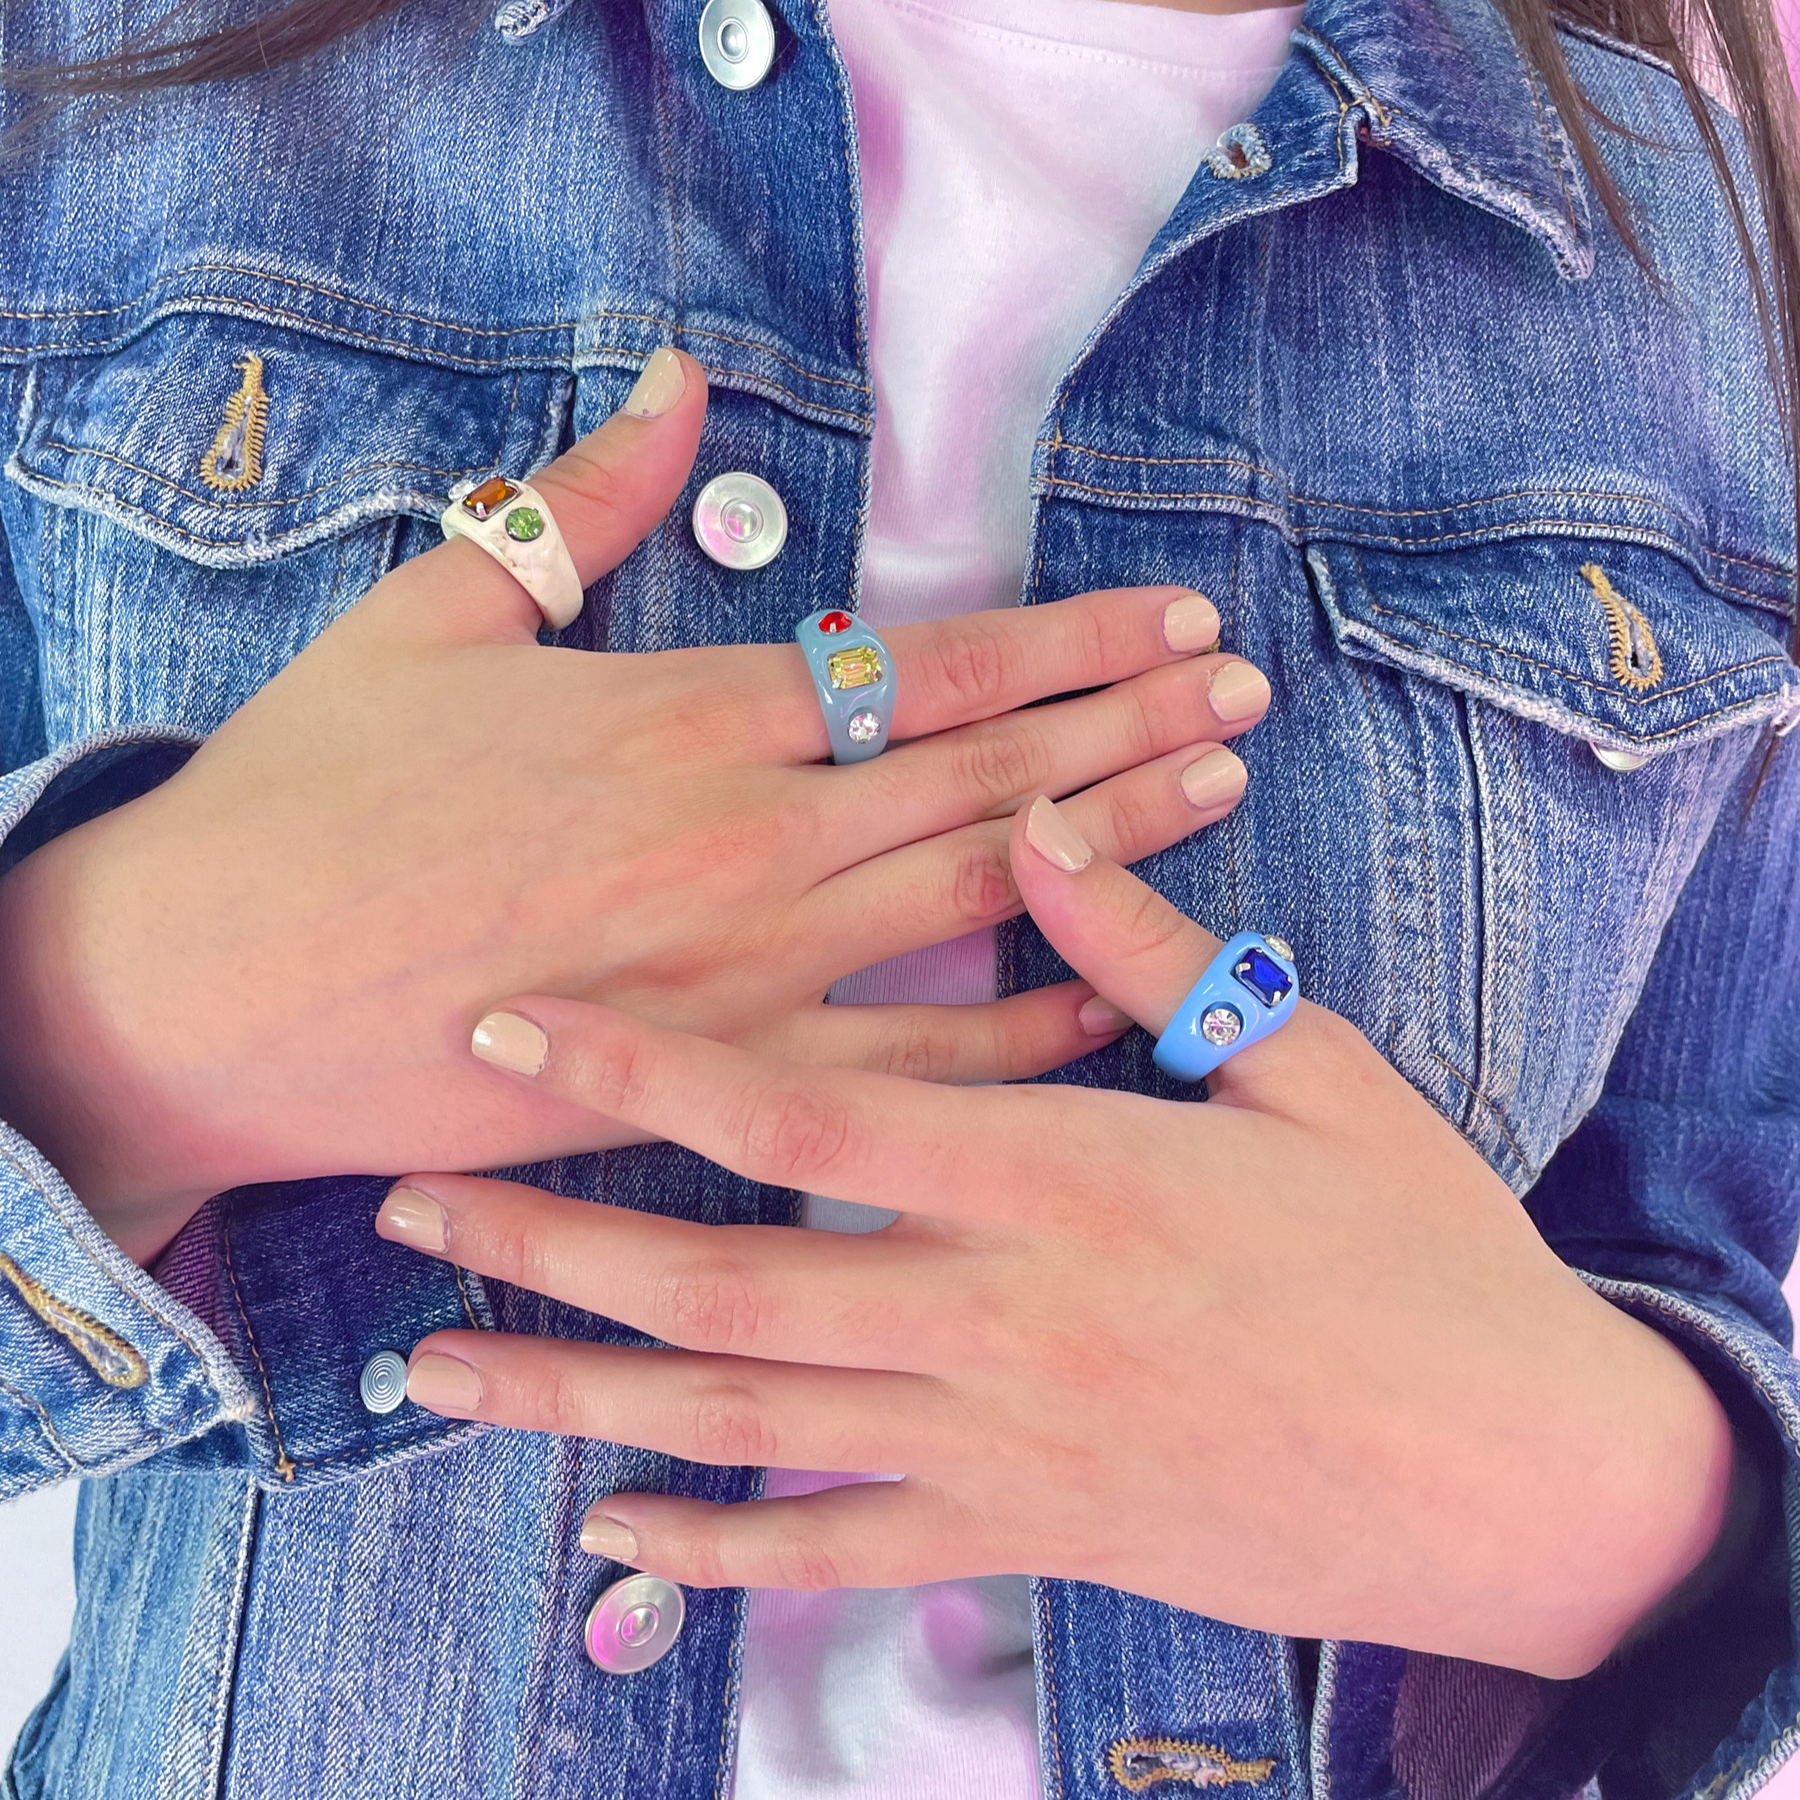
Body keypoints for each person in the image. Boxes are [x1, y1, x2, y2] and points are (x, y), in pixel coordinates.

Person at [0, 0, 1795, 1791]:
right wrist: (121, 1017)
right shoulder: (103, 61)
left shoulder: (1706, 240)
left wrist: (1592, 1512)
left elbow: (1684, 1258)